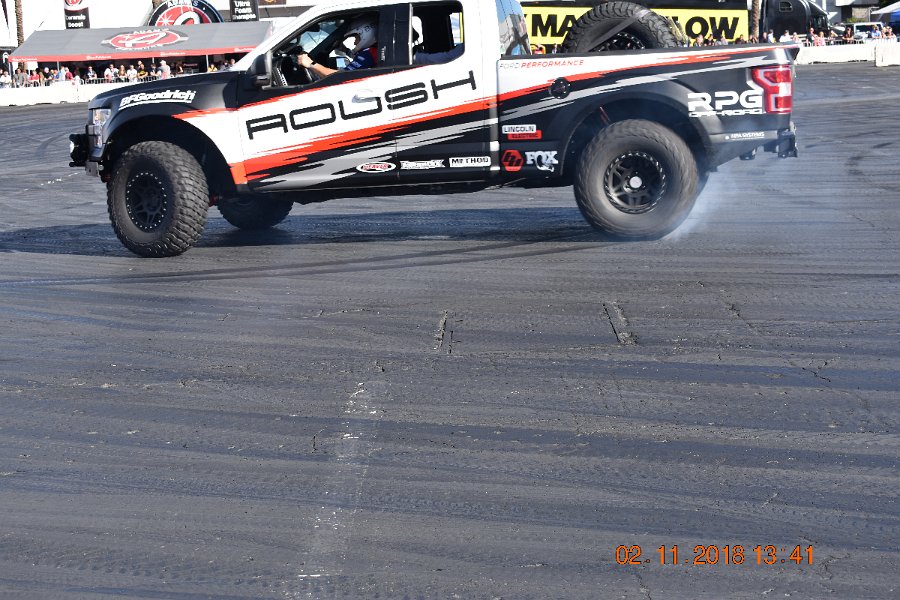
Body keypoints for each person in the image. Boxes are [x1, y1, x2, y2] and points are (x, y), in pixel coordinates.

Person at [298, 17, 378, 77]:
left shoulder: (369, 53)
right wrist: (342, 52)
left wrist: (311, 64)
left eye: (356, 37)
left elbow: (341, 77)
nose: (354, 42)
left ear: (366, 34)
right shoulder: (371, 52)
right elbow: (345, 71)